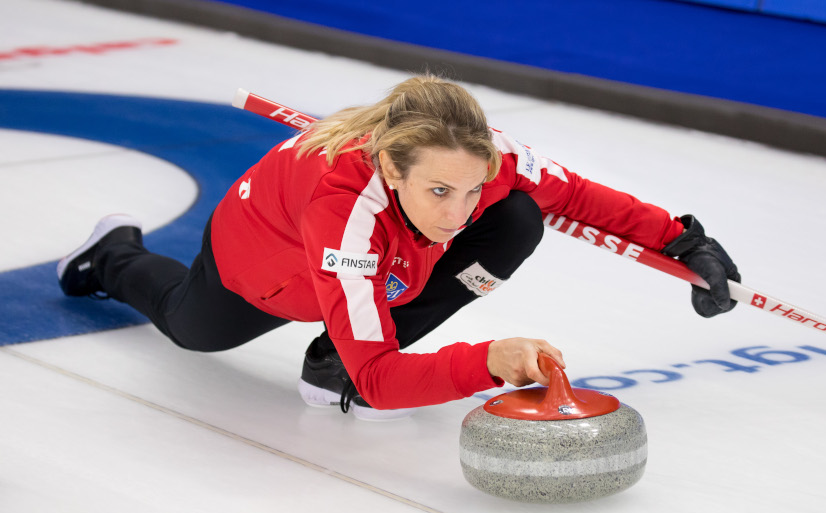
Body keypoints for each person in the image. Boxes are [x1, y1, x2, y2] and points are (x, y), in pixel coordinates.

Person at [57, 75, 740, 420]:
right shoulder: (344, 216)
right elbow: (380, 381)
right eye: (441, 192)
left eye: (472, 190)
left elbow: (581, 197)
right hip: (269, 264)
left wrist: (687, 241)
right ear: (392, 169)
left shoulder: (487, 161)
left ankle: (331, 360)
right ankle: (113, 252)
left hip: (383, 252)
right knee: (191, 328)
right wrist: (488, 362)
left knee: (520, 220)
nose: (460, 213)